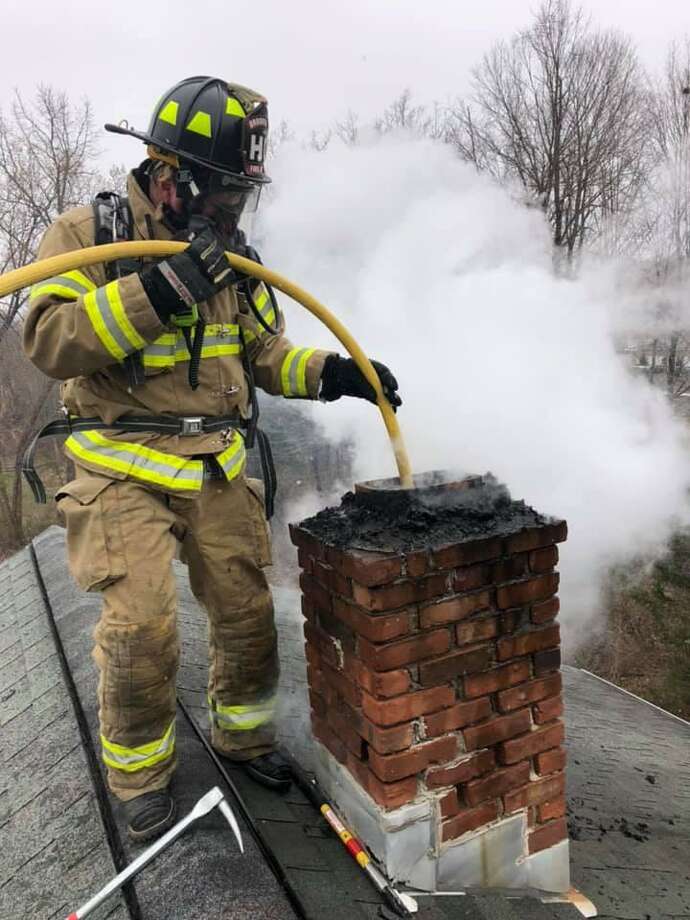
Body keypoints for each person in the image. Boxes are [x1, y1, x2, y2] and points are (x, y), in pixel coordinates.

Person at [23, 76, 401, 842]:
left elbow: (261, 351)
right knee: (141, 630)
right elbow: (51, 342)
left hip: (216, 463)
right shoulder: (87, 237)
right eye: (221, 195)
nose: (231, 213)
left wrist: (331, 375)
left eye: (241, 198)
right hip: (119, 465)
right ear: (169, 176)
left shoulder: (233, 257)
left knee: (246, 615)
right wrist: (162, 289)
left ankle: (245, 739)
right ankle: (139, 777)